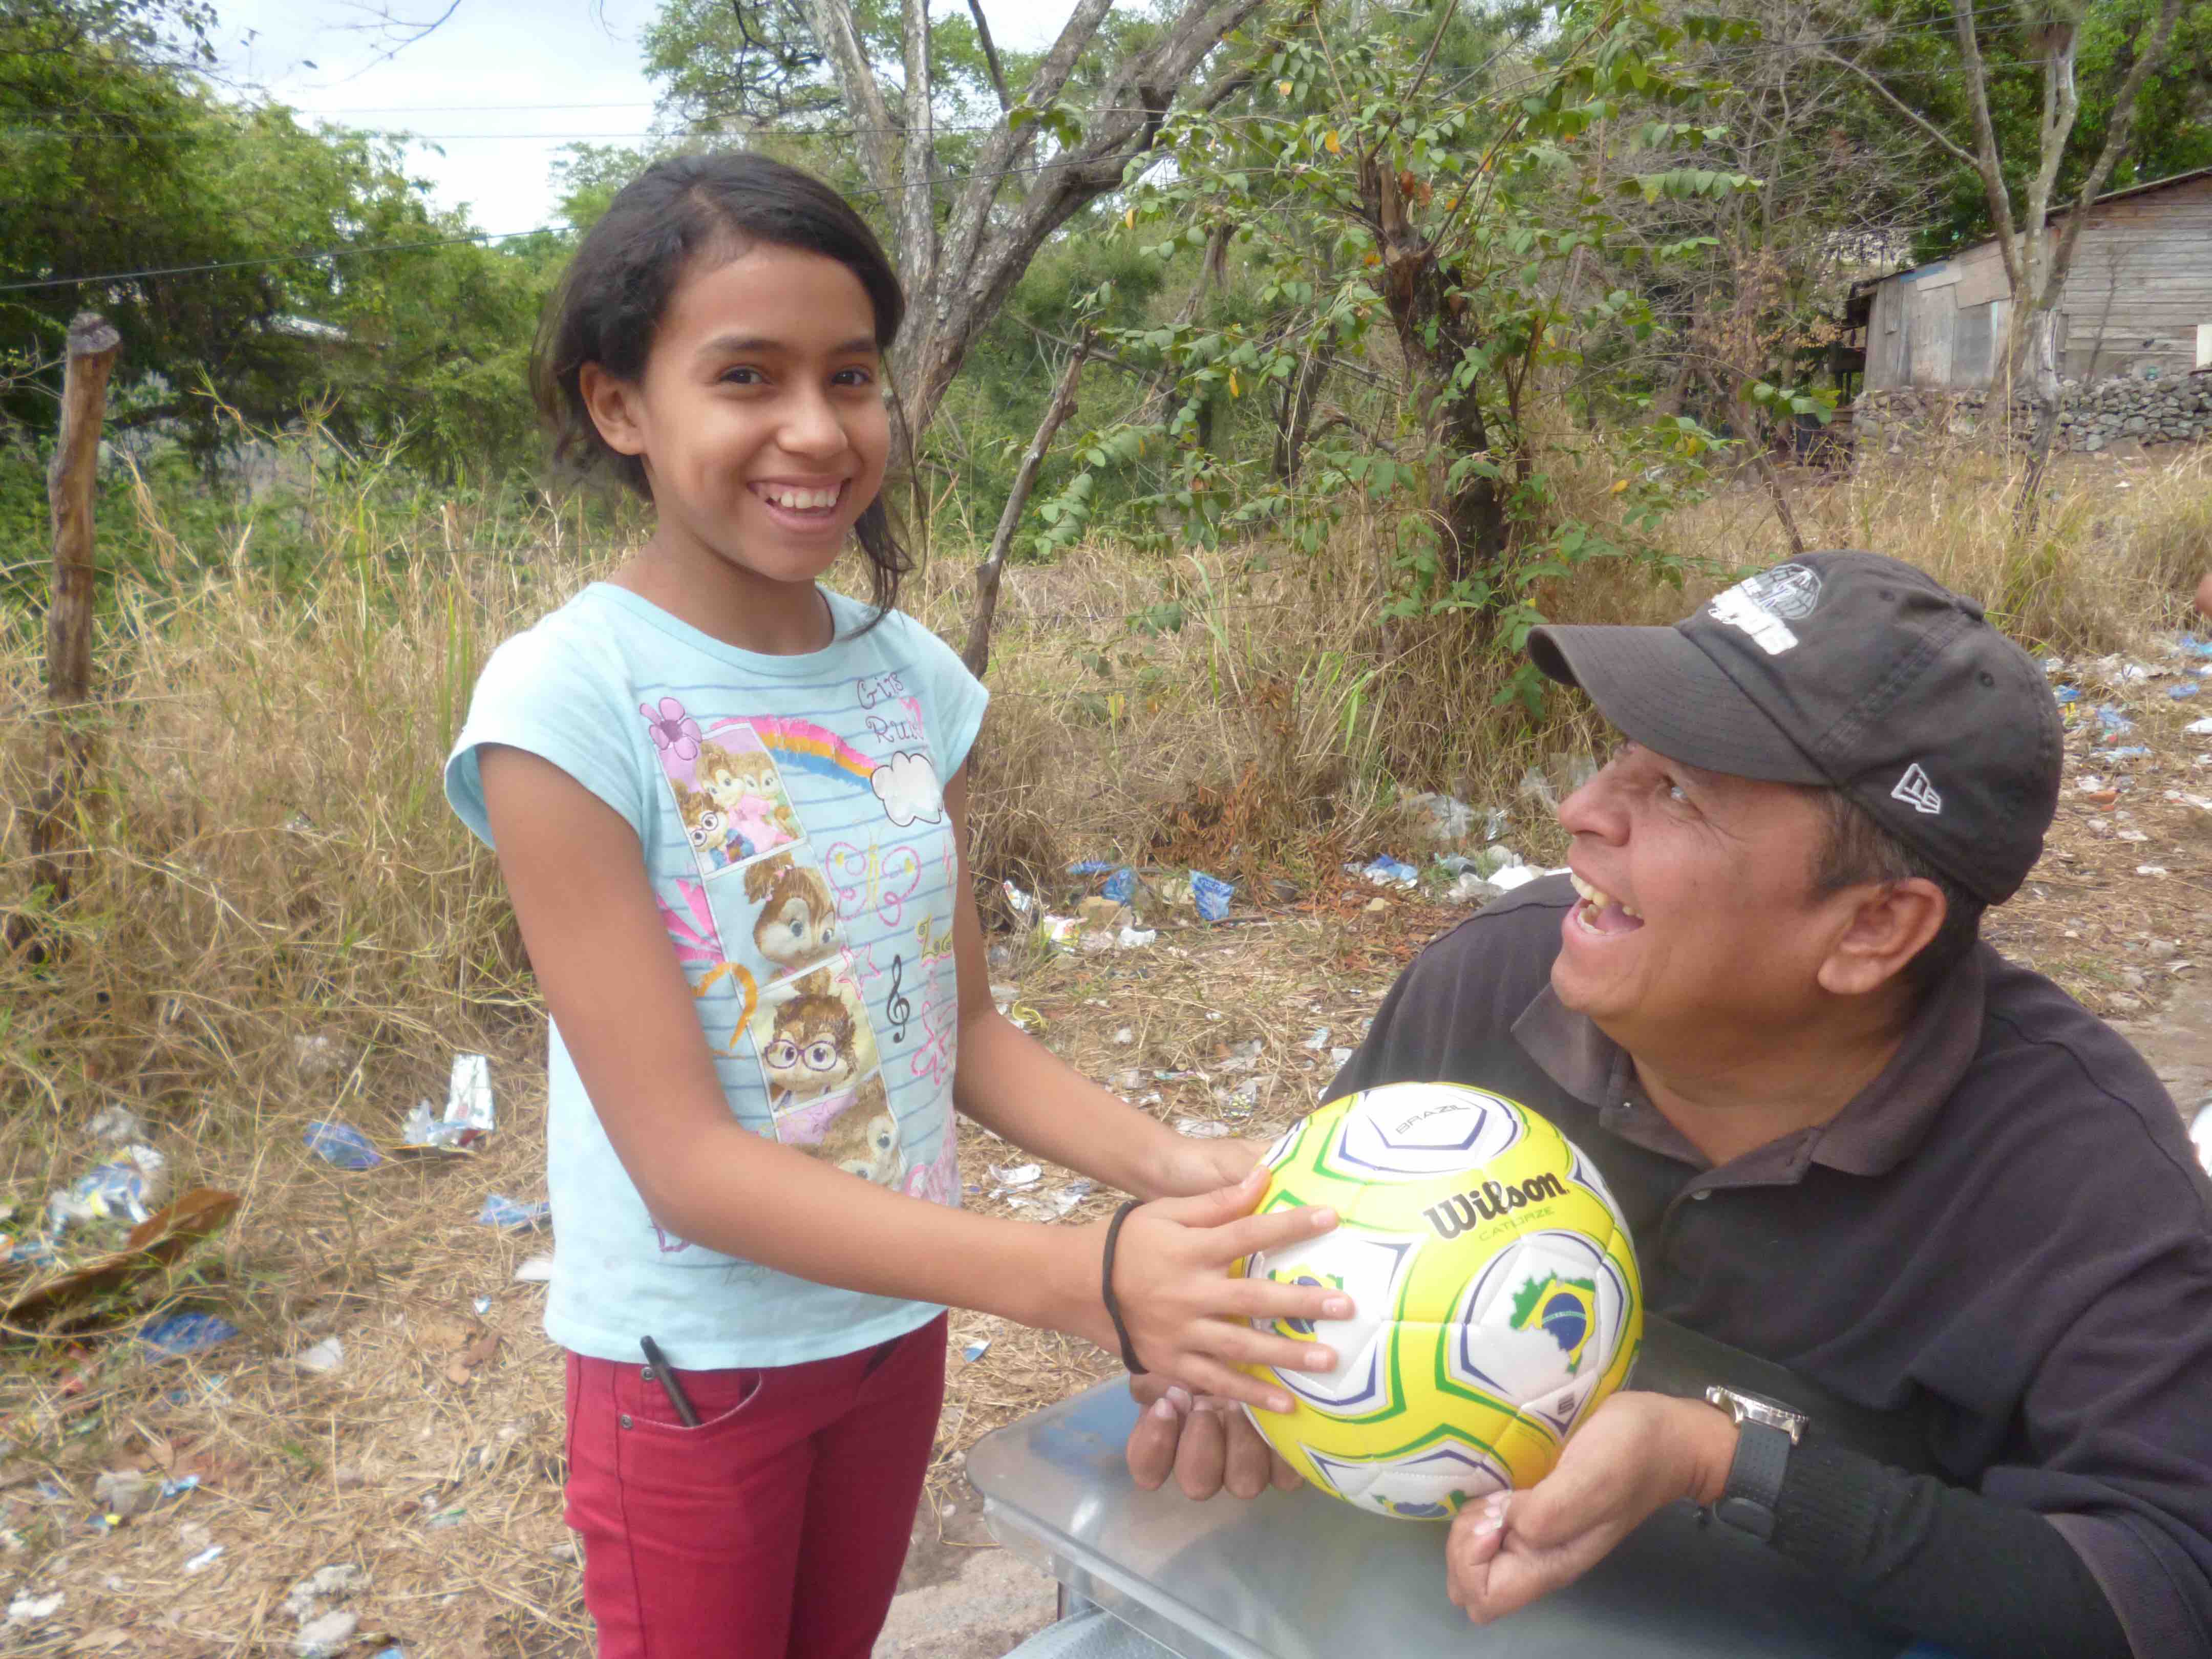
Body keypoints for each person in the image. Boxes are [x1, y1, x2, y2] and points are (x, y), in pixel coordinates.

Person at [441, 153, 1349, 1659]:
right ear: (620, 406)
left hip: (892, 1329)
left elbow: (964, 1032)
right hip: (693, 1368)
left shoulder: (909, 681)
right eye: (747, 375)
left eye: (850, 376)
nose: (816, 430)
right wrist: (1087, 1280)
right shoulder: (567, 702)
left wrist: (1191, 1175)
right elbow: (684, 1165)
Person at [1124, 551, 2212, 1658]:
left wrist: (1726, 1463)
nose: (1581, 811)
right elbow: (1273, 1282)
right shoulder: (1491, 984)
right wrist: (1246, 1380)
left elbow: (2171, 1586)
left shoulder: (2080, 1179)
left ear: (1874, 926)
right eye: (1621, 758)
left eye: (1679, 792)